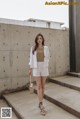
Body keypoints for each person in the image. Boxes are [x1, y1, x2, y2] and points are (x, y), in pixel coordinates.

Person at [28, 33, 50, 116]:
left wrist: (46, 64)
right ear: (36, 40)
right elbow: (30, 59)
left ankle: (40, 102)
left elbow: (48, 57)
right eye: (38, 38)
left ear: (42, 39)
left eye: (40, 38)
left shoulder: (46, 48)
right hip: (36, 68)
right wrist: (30, 69)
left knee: (43, 86)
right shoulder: (33, 48)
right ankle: (41, 104)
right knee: (39, 86)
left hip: (44, 67)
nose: (39, 40)